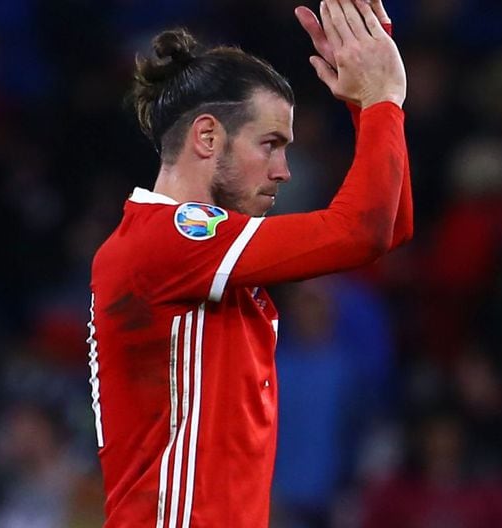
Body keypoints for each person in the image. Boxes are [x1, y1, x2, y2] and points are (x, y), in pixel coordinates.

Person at [87, 0, 410, 525]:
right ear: (207, 137)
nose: (283, 171)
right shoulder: (168, 238)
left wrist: (367, 102)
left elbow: (388, 226)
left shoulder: (196, 251)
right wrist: (381, 102)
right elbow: (363, 231)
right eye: (270, 145)